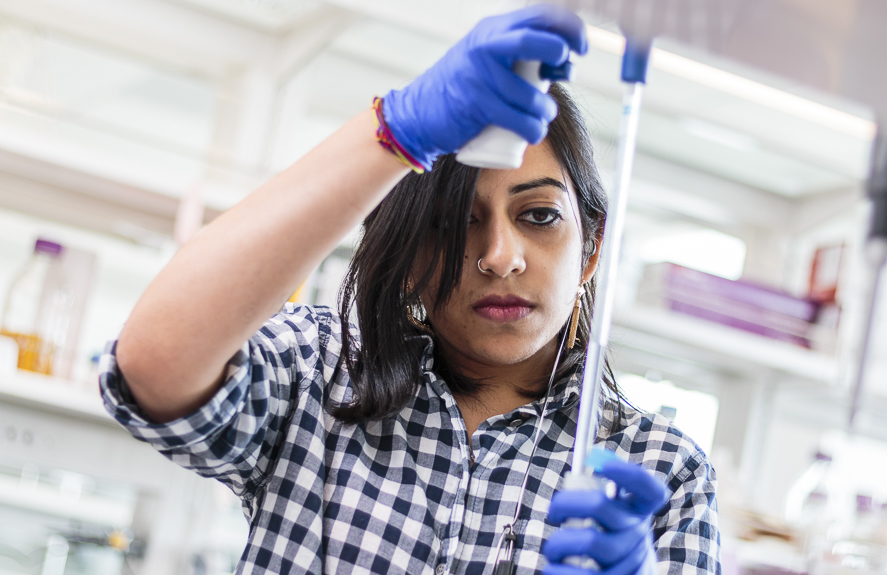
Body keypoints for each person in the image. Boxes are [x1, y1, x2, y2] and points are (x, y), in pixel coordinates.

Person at [100, 5, 719, 575]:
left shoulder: (660, 470)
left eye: (538, 216)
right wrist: (391, 131)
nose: (500, 258)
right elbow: (155, 365)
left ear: (591, 250)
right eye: (455, 222)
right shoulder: (321, 375)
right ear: (412, 255)